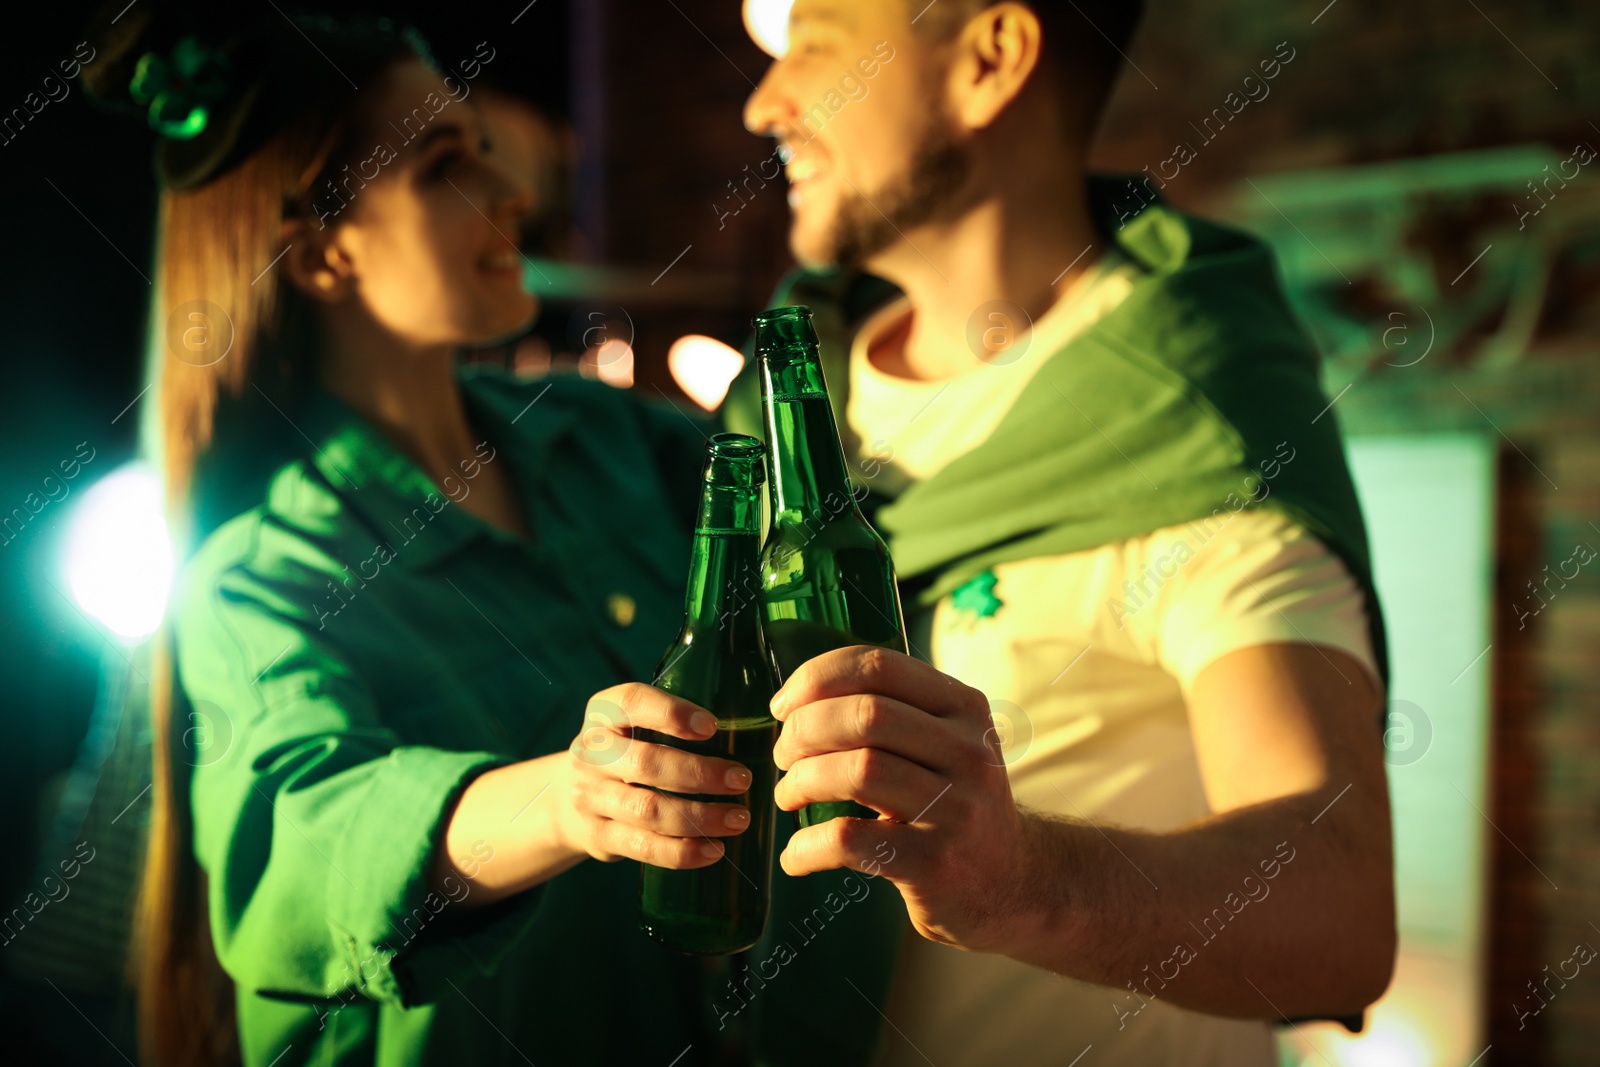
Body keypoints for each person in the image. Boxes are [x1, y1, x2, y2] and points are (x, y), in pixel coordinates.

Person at [82, 8, 890, 1066]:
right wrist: (572, 792)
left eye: (484, 149)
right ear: (324, 253)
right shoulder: (263, 572)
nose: (510, 192)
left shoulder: (605, 440)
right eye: (444, 166)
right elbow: (305, 829)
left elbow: (834, 509)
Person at [719, 2, 1397, 1064]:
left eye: (819, 43)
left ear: (989, 61)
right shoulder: (772, 415)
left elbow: (1335, 908)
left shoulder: (1185, 412)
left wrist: (1021, 878)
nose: (766, 100)